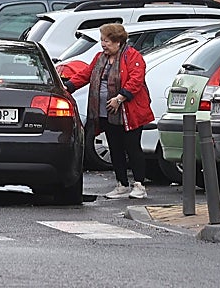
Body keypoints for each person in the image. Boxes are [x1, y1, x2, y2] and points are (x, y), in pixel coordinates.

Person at [61, 22, 152, 200]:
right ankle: (121, 184)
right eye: (102, 40)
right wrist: (67, 87)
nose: (104, 44)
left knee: (132, 148)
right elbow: (86, 74)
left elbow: (136, 80)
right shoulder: (99, 58)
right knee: (115, 148)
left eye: (108, 41)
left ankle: (139, 185)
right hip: (105, 112)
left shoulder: (132, 57)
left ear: (118, 42)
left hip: (128, 113)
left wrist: (119, 98)